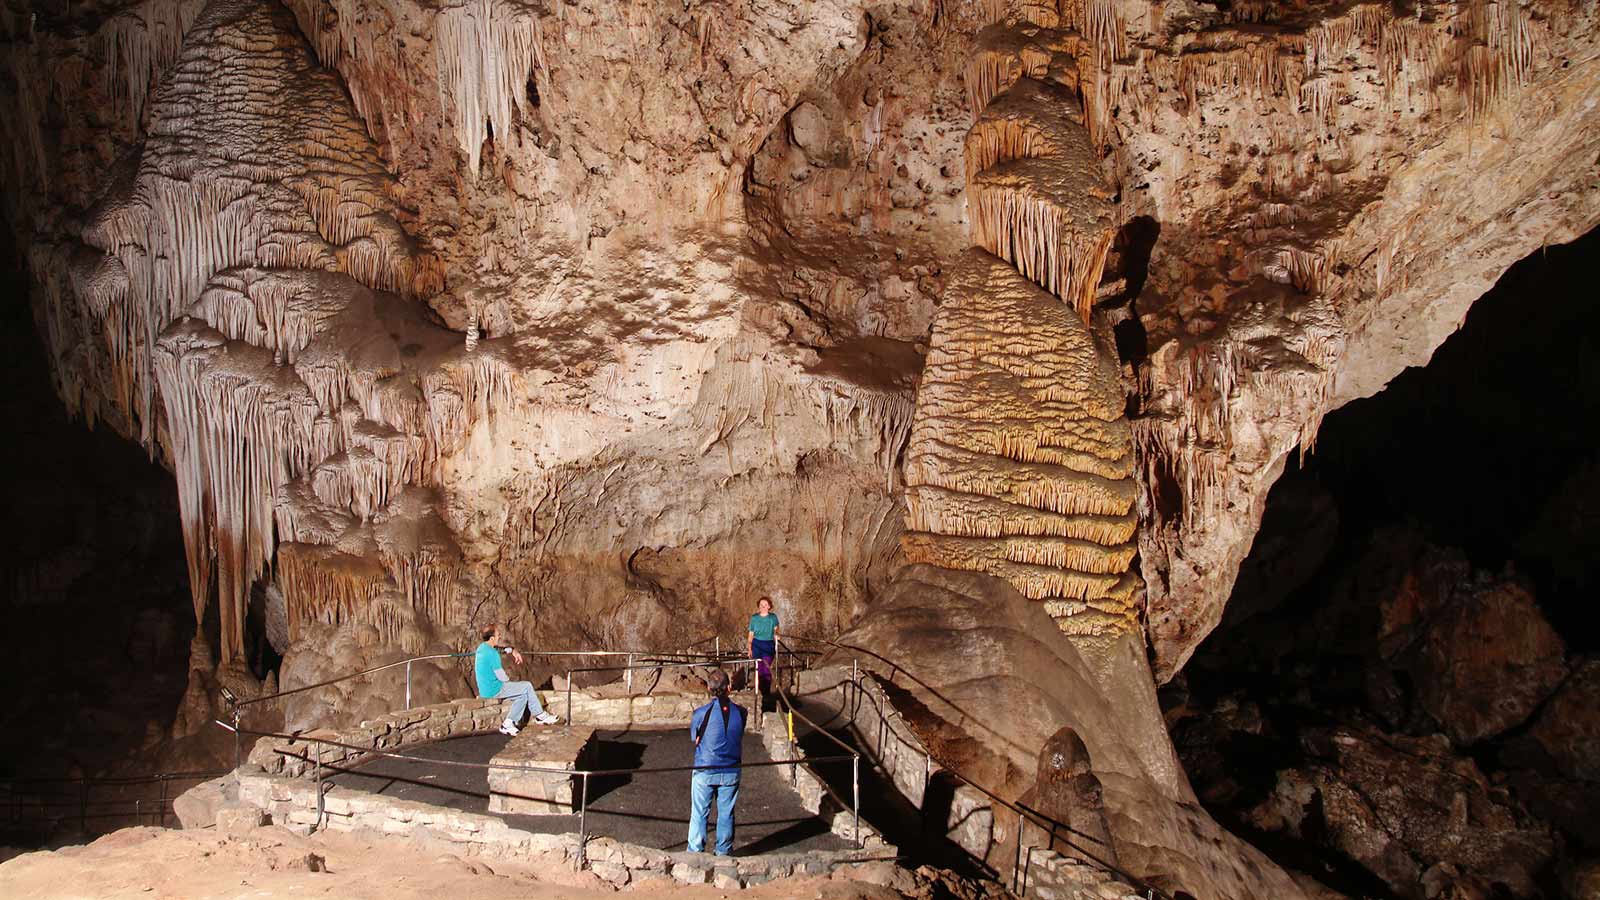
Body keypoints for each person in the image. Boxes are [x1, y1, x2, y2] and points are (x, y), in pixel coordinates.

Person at [687, 667, 747, 855]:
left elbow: (695, 739)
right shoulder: (742, 712)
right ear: (729, 687)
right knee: (726, 813)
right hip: (731, 769)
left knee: (699, 813)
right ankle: (723, 851)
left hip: (705, 768)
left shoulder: (700, 713)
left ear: (709, 688)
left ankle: (695, 852)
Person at [475, 624, 559, 735]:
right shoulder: (492, 654)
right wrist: (510, 682)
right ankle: (540, 715)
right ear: (492, 638)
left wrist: (512, 650)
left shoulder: (482, 648)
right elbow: (502, 677)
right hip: (494, 688)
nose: (500, 637)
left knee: (522, 695)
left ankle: (508, 724)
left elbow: (499, 649)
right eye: (498, 635)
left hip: (484, 688)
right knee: (527, 685)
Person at [747, 597, 779, 692]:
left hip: (768, 644)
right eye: (761, 605)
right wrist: (749, 648)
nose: (763, 607)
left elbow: (776, 628)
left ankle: (766, 689)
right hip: (756, 644)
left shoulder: (773, 617)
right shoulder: (754, 618)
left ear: (769, 606)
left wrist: (776, 635)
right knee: (759, 668)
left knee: (767, 667)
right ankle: (761, 689)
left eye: (765, 605)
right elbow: (751, 634)